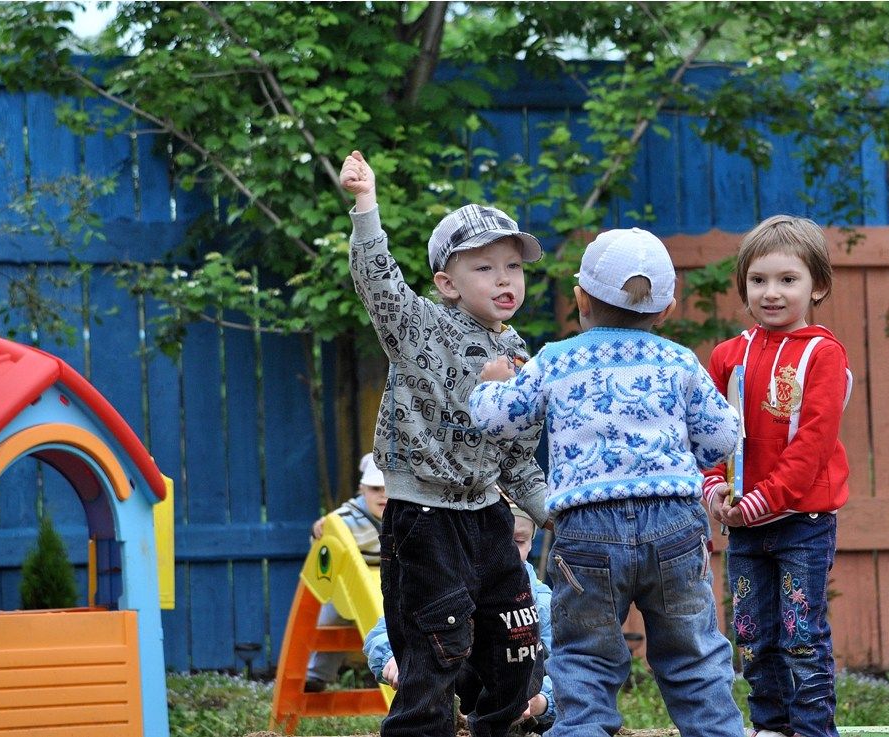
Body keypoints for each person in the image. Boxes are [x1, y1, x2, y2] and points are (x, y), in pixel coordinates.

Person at [469, 227, 746, 737]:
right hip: (675, 528)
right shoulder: (679, 361)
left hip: (587, 529)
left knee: (585, 661)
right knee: (694, 657)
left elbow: (498, 421)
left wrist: (488, 387)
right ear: (666, 310)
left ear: (580, 298)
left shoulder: (556, 359)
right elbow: (723, 437)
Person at [341, 150, 550, 737]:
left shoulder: (519, 355)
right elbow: (379, 285)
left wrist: (552, 509)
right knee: (439, 646)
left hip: (487, 517)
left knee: (516, 639)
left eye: (513, 266)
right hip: (424, 518)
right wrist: (365, 205)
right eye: (484, 269)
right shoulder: (419, 328)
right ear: (446, 284)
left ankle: (500, 727)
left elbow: (516, 458)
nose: (505, 279)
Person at [703, 214, 851, 737]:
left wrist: (765, 499)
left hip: (801, 520)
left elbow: (812, 444)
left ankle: (812, 729)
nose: (771, 292)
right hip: (742, 523)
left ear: (818, 287)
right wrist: (715, 487)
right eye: (758, 280)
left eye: (788, 280)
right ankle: (770, 724)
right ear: (743, 285)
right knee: (751, 633)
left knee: (800, 633)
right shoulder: (728, 355)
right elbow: (708, 435)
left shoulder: (823, 354)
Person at [365, 503, 556, 734]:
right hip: (451, 691)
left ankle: (507, 722)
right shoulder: (437, 585)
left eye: (518, 541)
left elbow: (564, 665)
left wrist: (541, 701)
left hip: (516, 700)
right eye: (493, 542)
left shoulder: (541, 600)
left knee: (524, 646)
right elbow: (381, 634)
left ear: (531, 541)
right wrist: (395, 658)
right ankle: (445, 719)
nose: (506, 552)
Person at [304, 453, 389, 693]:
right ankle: (316, 675)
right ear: (362, 490)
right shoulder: (346, 518)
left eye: (387, 488)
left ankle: (390, 674)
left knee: (389, 620)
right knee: (330, 617)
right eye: (375, 488)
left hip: (384, 588)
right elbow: (323, 549)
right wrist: (321, 529)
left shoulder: (403, 515)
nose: (382, 494)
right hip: (349, 587)